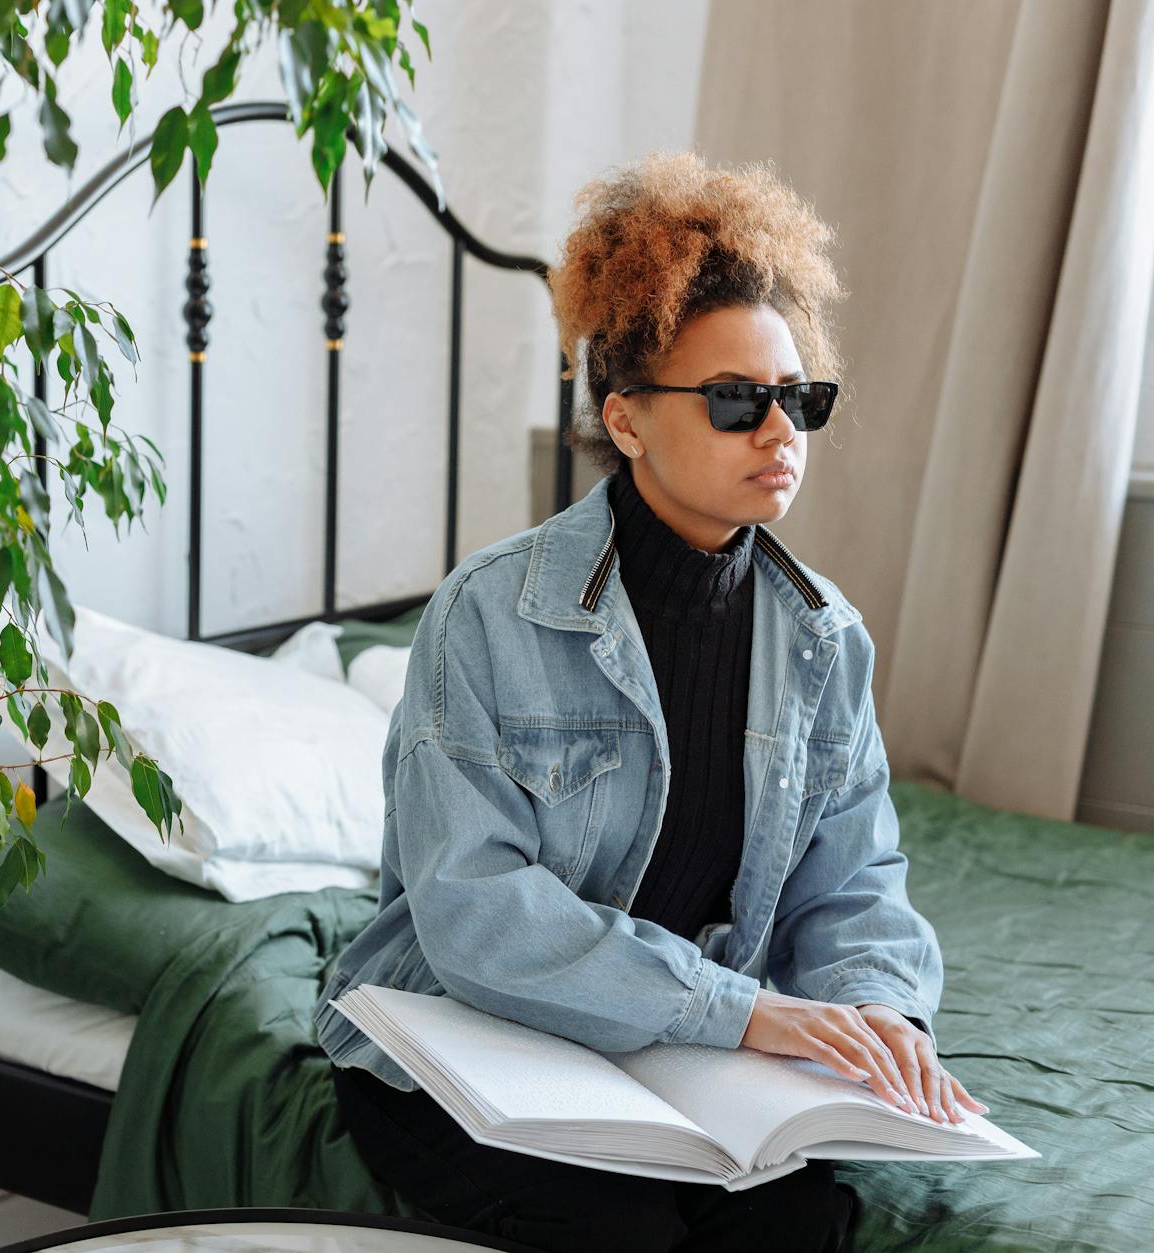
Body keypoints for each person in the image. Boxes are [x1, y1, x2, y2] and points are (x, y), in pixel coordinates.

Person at [313, 150, 987, 1251]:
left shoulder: (823, 639)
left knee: (797, 1222)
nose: (779, 432)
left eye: (797, 399)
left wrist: (878, 1012)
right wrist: (740, 1010)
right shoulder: (487, 615)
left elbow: (854, 880)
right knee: (622, 1228)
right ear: (624, 421)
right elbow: (474, 909)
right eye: (736, 402)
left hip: (672, 1050)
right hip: (461, 1039)